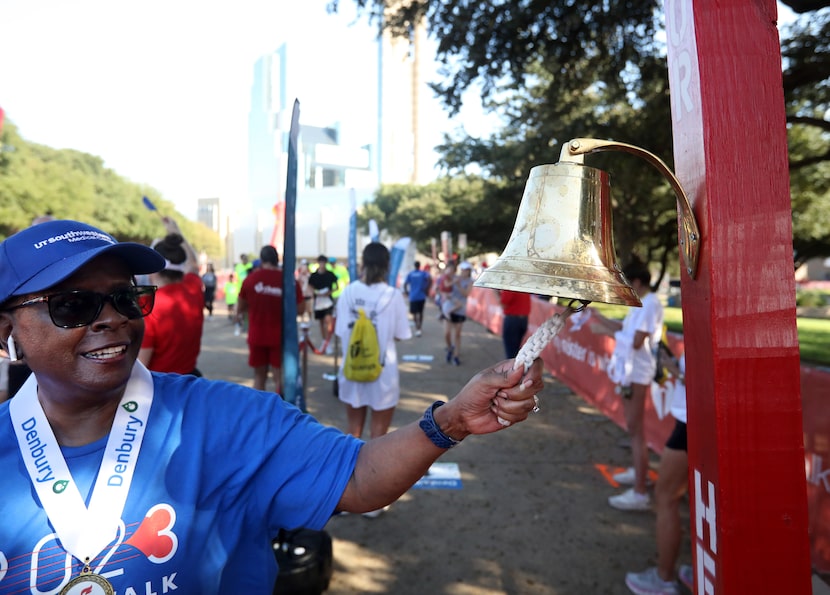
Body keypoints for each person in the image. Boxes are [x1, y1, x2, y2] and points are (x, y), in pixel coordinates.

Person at [0, 219, 544, 594]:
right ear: (8, 332)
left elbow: (359, 477)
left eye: (126, 297)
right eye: (73, 304)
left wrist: (449, 421)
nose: (112, 318)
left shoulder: (230, 419)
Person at [591, 258, 664, 511]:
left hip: (638, 373)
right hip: (631, 372)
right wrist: (599, 318)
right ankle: (638, 474)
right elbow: (625, 328)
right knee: (633, 430)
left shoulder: (651, 303)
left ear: (636, 282)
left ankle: (640, 492)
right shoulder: (641, 303)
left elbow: (635, 342)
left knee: (636, 431)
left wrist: (606, 332)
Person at [625, 353, 693, 594]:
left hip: (692, 423)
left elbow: (698, 380)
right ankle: (706, 571)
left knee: (667, 497)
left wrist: (670, 369)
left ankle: (664, 579)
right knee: (701, 500)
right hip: (697, 420)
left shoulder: (710, 323)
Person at [138, 217, 205, 376]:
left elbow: (140, 366)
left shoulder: (147, 306)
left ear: (153, 268)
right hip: (189, 381)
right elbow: (192, 264)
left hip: (161, 388)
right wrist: (176, 231)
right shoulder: (194, 289)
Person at [236, 245, 305, 393]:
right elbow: (301, 309)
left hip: (257, 336)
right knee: (279, 378)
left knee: (259, 377)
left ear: (261, 260)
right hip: (280, 337)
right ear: (277, 260)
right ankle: (281, 413)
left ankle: (260, 413)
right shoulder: (289, 281)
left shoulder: (250, 280)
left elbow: (240, 309)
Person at [443, 261, 474, 366]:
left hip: (460, 310)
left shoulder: (470, 281)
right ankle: (450, 348)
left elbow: (466, 294)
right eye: (462, 270)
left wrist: (459, 284)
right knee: (447, 333)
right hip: (451, 307)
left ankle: (456, 356)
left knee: (457, 334)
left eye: (465, 270)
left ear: (469, 271)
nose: (463, 272)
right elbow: (445, 284)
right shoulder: (455, 277)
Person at [309, 254, 339, 355]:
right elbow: (310, 286)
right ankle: (324, 340)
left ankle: (328, 341)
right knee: (321, 322)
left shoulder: (330, 275)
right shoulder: (314, 276)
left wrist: (329, 292)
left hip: (328, 300)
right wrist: (315, 293)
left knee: (328, 320)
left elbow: (336, 286)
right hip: (318, 301)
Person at [499, 289, 532, 359]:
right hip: (523, 320)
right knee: (516, 351)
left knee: (511, 353)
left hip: (513, 320)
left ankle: (513, 369)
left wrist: (495, 294)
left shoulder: (511, 286)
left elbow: (503, 304)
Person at [403, 260, 432, 337]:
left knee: (414, 313)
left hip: (413, 296)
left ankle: (417, 327)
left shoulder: (411, 274)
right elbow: (430, 279)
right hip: (421, 296)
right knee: (421, 312)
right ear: (419, 266)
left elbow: (405, 284)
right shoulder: (423, 273)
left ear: (414, 266)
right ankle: (420, 327)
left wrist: (406, 291)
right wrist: (426, 289)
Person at [297, 258, 314, 322]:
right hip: (301, 295)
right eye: (303, 265)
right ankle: (302, 323)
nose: (305, 267)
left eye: (306, 265)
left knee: (309, 310)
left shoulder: (310, 275)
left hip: (308, 295)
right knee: (301, 311)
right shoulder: (298, 275)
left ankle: (309, 322)